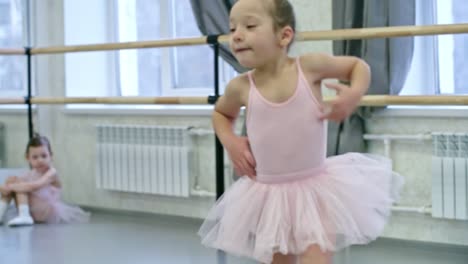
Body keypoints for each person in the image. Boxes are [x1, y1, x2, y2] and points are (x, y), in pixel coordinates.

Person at [198, 0, 403, 263]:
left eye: (249, 26)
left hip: (315, 190)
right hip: (269, 195)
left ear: (284, 35)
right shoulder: (240, 86)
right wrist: (231, 141)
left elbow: (357, 66)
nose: (236, 35)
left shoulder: (309, 68)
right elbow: (221, 113)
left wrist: (353, 94)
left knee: (316, 258)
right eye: (232, 28)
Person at [0, 134, 90, 227]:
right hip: (32, 210)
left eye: (44, 156)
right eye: (35, 157)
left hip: (45, 211)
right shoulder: (31, 173)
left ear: (50, 156)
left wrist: (9, 187)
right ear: (28, 158)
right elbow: (16, 184)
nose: (40, 160)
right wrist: (8, 185)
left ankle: (24, 215)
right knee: (13, 180)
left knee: (20, 186)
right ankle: (1, 213)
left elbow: (35, 185)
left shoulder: (52, 172)